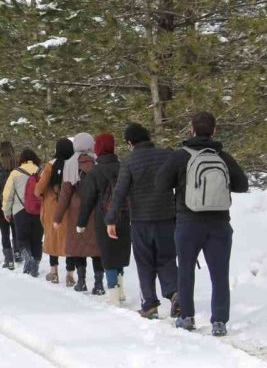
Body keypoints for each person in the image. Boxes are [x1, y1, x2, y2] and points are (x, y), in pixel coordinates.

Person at [155, 111, 249, 337]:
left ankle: (186, 317)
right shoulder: (223, 157)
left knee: (185, 269)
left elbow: (160, 184)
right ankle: (219, 322)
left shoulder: (180, 156)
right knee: (219, 273)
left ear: (192, 129)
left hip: (188, 222)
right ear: (214, 130)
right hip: (219, 223)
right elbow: (242, 185)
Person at [106, 122, 178, 319]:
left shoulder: (129, 162)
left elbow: (119, 193)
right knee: (167, 258)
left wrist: (111, 219)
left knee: (145, 261)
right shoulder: (167, 155)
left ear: (130, 142)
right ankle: (175, 294)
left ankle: (149, 303)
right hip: (166, 216)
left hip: (140, 219)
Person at [77, 133, 129, 304]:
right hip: (124, 215)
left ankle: (113, 293)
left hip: (103, 218)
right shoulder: (123, 167)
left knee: (108, 255)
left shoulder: (95, 172)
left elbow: (88, 200)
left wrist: (81, 223)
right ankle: (121, 290)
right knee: (120, 253)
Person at [54, 133, 102, 293]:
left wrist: (58, 216)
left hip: (76, 211)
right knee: (96, 248)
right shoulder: (97, 161)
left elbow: (65, 194)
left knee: (79, 247)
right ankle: (99, 284)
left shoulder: (70, 164)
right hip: (96, 209)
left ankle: (81, 281)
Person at [36, 138, 73, 285]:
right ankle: (70, 274)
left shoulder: (50, 166)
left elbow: (39, 189)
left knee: (52, 237)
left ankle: (54, 272)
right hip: (69, 207)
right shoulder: (73, 165)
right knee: (69, 239)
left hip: (52, 207)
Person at [2, 148, 43, 276]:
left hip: (20, 210)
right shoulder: (41, 172)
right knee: (37, 239)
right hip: (38, 210)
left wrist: (6, 210)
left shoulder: (15, 173)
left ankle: (27, 256)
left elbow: (8, 194)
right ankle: (35, 265)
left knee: (22, 238)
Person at [0, 141, 20, 270]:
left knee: (4, 231)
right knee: (15, 229)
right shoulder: (17, 164)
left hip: (0, 200)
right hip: (16, 201)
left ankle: (8, 259)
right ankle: (17, 253)